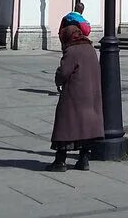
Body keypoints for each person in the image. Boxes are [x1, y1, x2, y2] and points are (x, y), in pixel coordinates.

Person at [47, 15, 104, 172]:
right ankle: (83, 159)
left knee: (65, 125)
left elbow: (64, 72)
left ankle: (60, 161)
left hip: (74, 94)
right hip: (91, 94)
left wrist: (58, 79)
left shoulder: (71, 51)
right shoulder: (90, 49)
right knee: (86, 127)